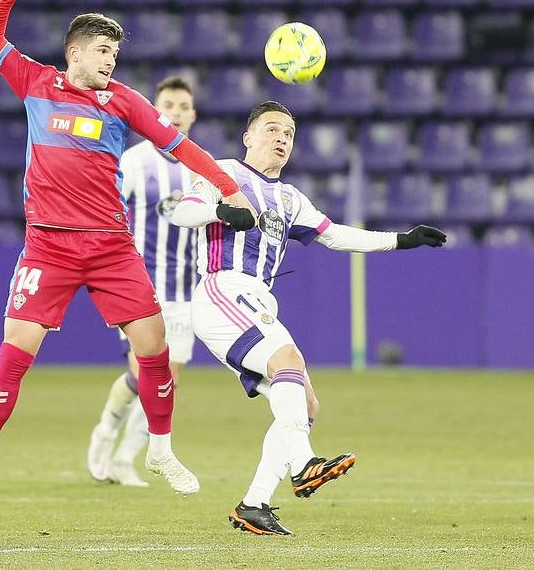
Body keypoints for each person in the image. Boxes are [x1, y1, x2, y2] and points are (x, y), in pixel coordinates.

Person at [0, 0, 256, 504]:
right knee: (15, 352)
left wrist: (228, 189)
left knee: (155, 347)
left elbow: (182, 147)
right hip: (49, 245)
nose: (111, 59)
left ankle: (159, 450)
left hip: (112, 246)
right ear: (74, 53)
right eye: (101, 50)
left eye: (115, 52)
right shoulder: (36, 82)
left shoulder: (125, 103)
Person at [171, 101, 446, 536]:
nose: (282, 138)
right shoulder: (223, 173)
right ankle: (302, 465)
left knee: (305, 404)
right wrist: (220, 210)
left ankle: (255, 504)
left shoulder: (289, 198)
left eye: (289, 133)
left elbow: (334, 235)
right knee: (288, 360)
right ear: (248, 136)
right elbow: (180, 212)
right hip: (224, 288)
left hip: (257, 300)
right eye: (272, 129)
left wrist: (401, 240)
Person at [86, 75, 200, 488]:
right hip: (140, 287)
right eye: (167, 104)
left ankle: (124, 459)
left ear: (193, 114)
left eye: (183, 106)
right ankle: (104, 433)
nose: (175, 112)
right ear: (154, 111)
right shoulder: (134, 162)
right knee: (143, 374)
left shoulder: (197, 167)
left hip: (185, 290)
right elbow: (108, 210)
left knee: (167, 378)